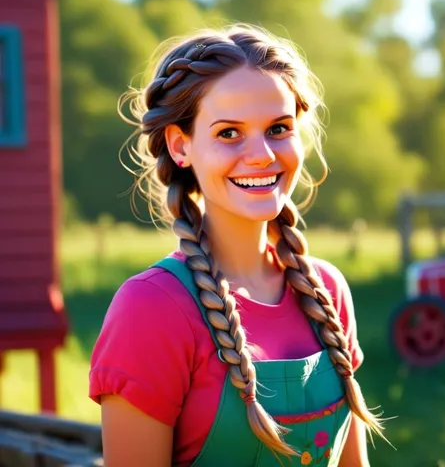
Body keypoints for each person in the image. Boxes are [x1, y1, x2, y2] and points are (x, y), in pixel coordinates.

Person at [89, 24, 385, 466]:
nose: (262, 154)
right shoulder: (151, 308)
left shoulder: (327, 290)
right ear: (180, 145)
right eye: (229, 133)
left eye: (278, 128)